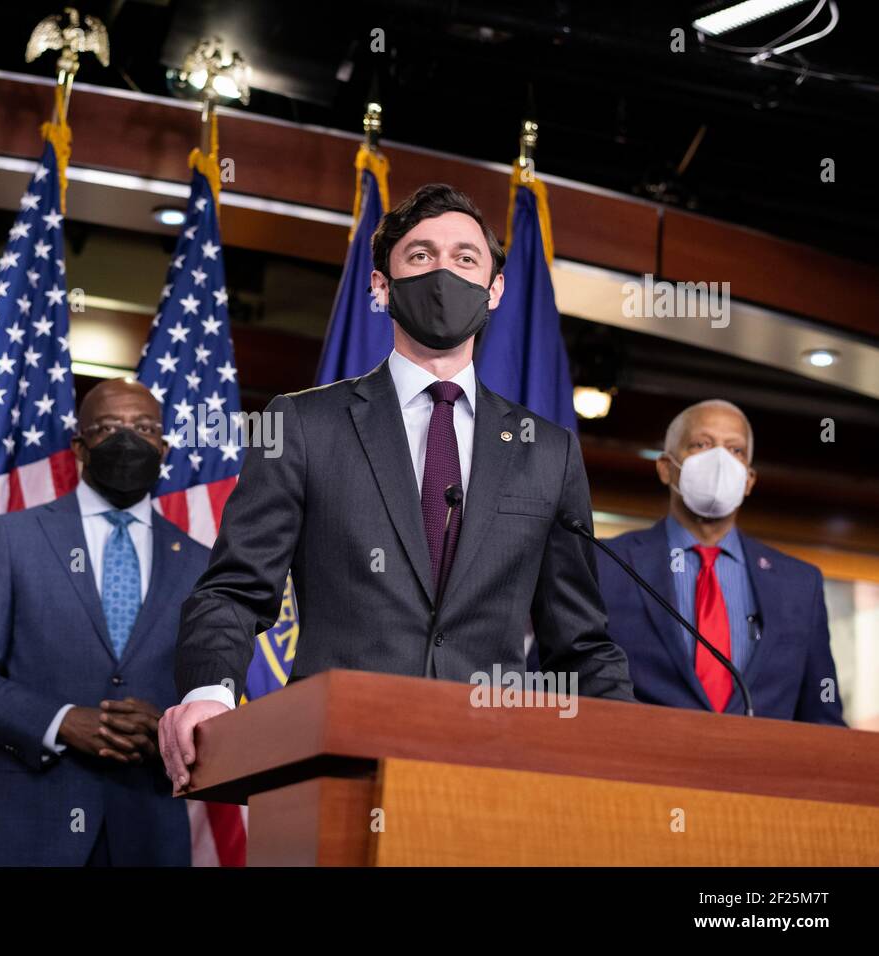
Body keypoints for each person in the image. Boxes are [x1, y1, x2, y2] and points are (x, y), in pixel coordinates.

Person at [159, 183, 634, 790]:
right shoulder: (301, 423)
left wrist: (630, 745)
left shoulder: (549, 451)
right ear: (381, 288)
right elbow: (233, 590)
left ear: (495, 292)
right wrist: (209, 692)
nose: (444, 273)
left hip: (490, 771)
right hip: (332, 761)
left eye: (465, 259)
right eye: (420, 256)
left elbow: (581, 643)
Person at [0, 379, 210, 865]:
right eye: (109, 427)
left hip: (148, 832)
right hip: (24, 828)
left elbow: (216, 695)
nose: (128, 439)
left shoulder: (200, 564)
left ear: (164, 448)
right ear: (80, 447)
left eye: (144, 428)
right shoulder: (13, 538)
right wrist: (61, 722)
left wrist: (168, 727)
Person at [596, 399, 845, 724]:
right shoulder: (604, 564)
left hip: (759, 771)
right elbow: (553, 687)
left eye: (736, 450)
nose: (720, 459)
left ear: (749, 480)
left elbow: (822, 719)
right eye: (701, 444)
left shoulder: (800, 585)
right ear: (665, 467)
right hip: (636, 769)